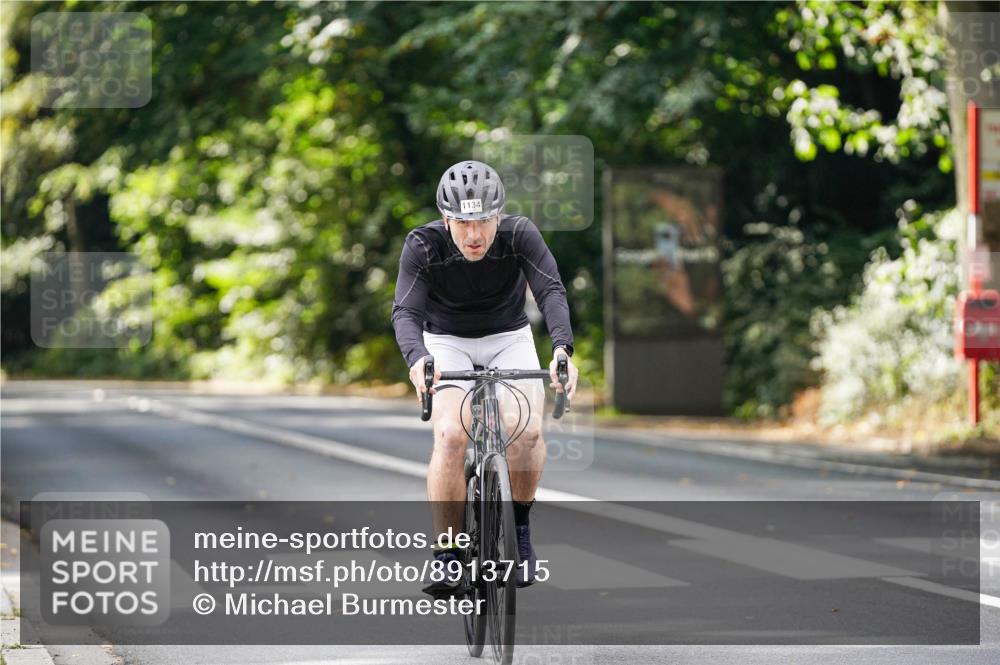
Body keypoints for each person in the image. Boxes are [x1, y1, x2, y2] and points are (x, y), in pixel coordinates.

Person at [391, 160, 579, 596]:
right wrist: (418, 359)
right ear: (446, 220)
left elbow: (550, 290)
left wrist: (562, 350)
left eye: (483, 222)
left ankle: (520, 530)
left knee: (528, 434)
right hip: (445, 340)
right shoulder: (423, 244)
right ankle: (448, 555)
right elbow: (406, 312)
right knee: (451, 437)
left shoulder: (520, 235)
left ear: (499, 217)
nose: (474, 235)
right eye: (462, 224)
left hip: (507, 335)